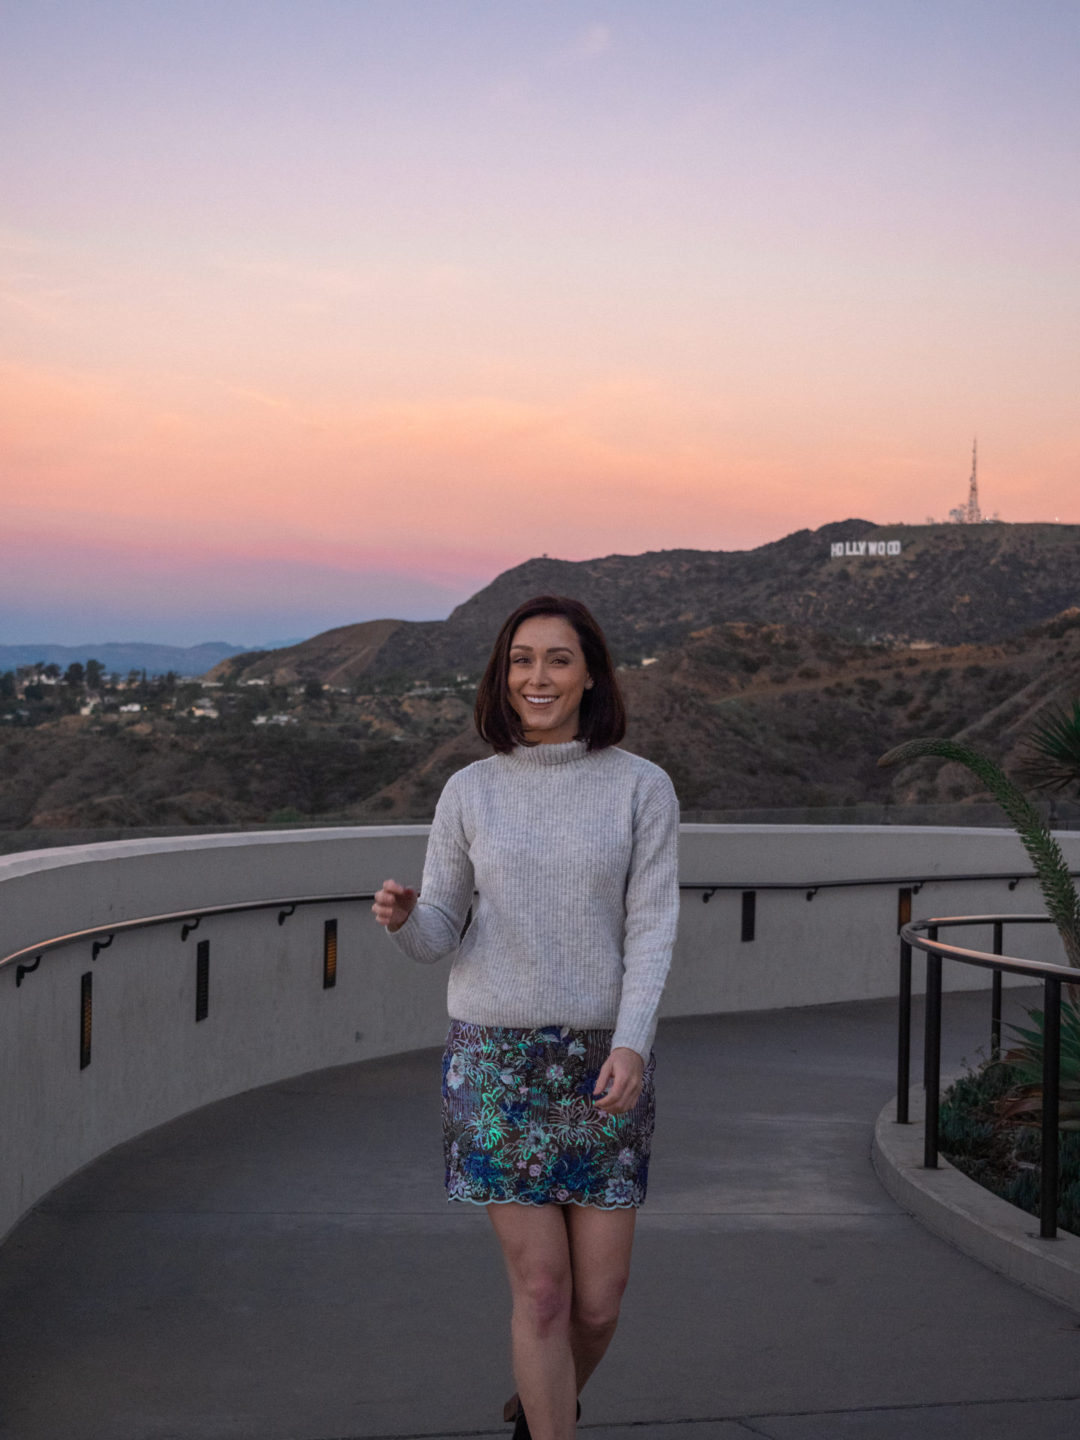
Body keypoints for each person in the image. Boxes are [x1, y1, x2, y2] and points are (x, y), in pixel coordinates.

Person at [372, 594, 680, 1440]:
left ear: (590, 677)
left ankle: (543, 1401)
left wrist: (632, 1044)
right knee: (541, 1292)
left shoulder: (641, 788)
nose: (536, 677)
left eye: (557, 659)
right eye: (520, 661)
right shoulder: (470, 791)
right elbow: (440, 929)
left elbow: (652, 928)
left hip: (601, 1067)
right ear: (501, 680)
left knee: (598, 1300)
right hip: (495, 1066)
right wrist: (404, 922)